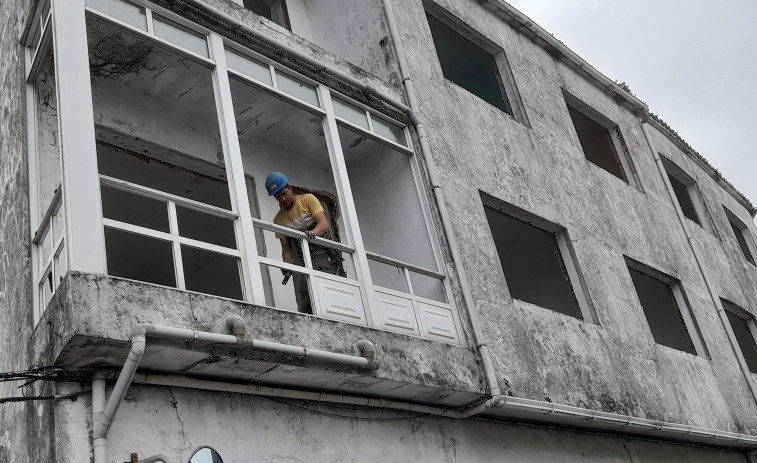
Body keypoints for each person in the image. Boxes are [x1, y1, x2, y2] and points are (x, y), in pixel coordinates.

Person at [265, 172, 343, 314]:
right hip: (305, 257)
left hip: (323, 251)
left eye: (284, 193)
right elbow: (286, 248)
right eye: (278, 197)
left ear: (290, 189)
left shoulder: (308, 200)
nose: (283, 199)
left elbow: (323, 224)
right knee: (305, 293)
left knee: (323, 285)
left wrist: (312, 234)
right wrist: (287, 265)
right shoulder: (279, 220)